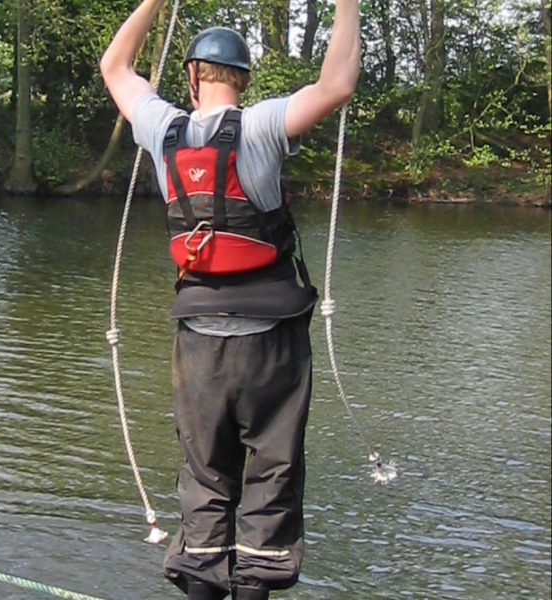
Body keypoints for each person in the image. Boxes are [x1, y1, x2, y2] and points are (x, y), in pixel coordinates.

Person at [100, 2, 360, 599]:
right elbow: (338, 84)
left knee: (205, 479)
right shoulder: (265, 124)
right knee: (271, 475)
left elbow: (115, 65)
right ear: (242, 78)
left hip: (197, 347)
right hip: (272, 343)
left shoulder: (160, 127)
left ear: (192, 75)